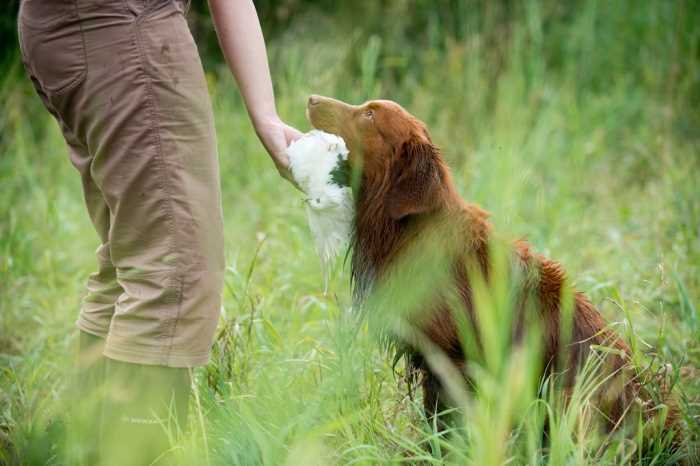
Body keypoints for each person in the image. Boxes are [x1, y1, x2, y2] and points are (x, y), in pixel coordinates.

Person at [17, 0, 301, 463]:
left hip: (73, 30)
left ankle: (85, 450)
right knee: (172, 273)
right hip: (122, 31)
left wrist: (265, 112)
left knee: (132, 261)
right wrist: (264, 114)